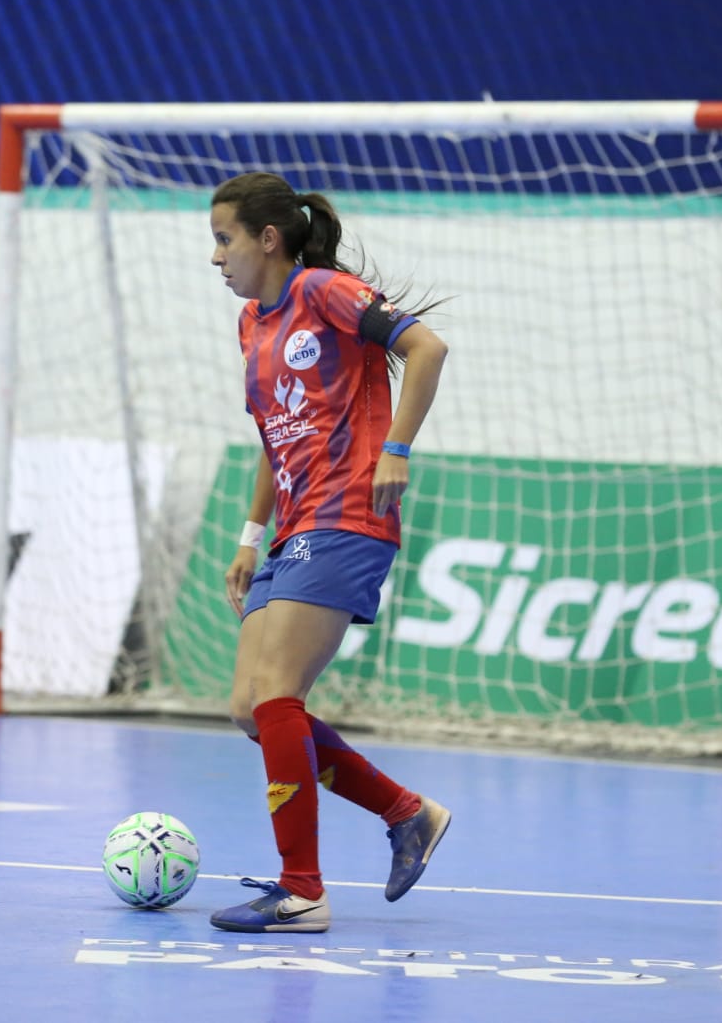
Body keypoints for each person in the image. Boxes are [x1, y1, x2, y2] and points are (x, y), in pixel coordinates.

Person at [206, 171, 452, 933]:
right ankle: (406, 814)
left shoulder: (321, 292)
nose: (216, 259)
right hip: (292, 525)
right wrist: (251, 538)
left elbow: (426, 346)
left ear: (267, 239)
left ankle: (301, 891)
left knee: (277, 694)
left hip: (348, 513)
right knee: (250, 708)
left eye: (224, 241)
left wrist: (397, 448)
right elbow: (268, 436)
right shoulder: (252, 323)